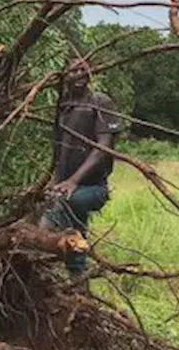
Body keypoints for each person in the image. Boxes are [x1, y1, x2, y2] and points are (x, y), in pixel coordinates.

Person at [39, 59, 122, 282]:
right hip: (66, 185)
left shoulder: (100, 102)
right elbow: (58, 151)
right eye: (74, 70)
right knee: (54, 209)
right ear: (65, 75)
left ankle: (48, 264)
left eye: (84, 69)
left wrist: (73, 181)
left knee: (63, 206)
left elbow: (103, 147)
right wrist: (53, 182)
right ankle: (74, 278)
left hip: (93, 188)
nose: (80, 73)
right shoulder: (63, 106)